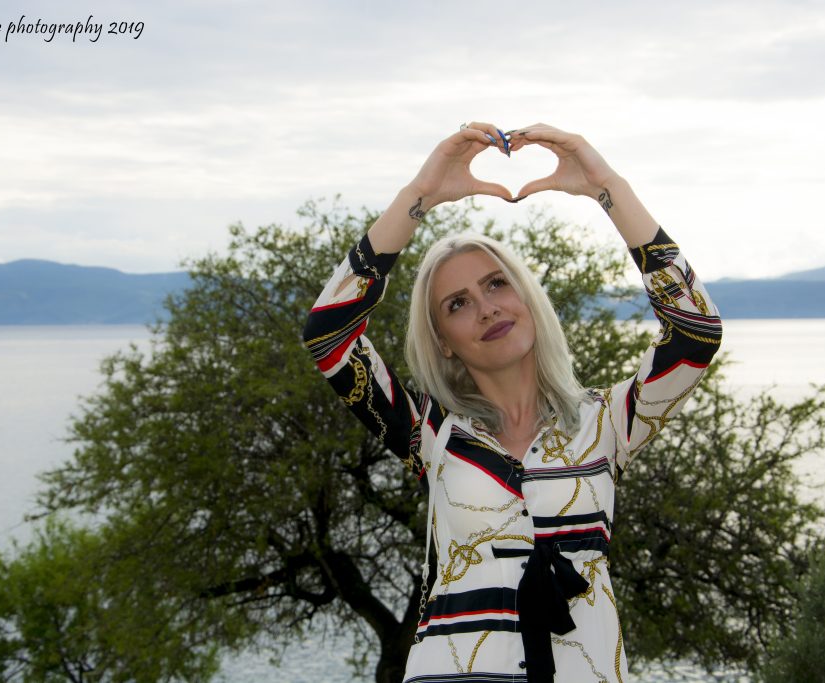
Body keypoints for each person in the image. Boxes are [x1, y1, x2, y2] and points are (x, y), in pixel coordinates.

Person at [302, 122, 722, 683]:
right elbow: (328, 335)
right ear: (443, 342)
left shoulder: (607, 424)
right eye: (457, 304)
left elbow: (695, 333)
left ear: (526, 295)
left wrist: (607, 189)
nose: (486, 308)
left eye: (496, 284)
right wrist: (419, 197)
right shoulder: (431, 434)